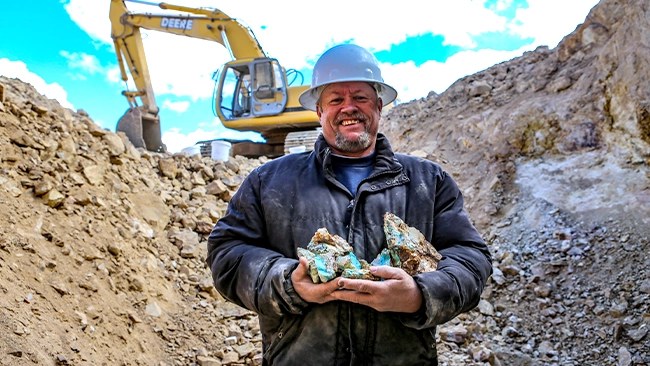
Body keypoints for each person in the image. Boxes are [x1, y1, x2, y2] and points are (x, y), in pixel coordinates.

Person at [207, 44, 492, 365]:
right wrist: (287, 282)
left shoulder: (428, 180)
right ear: (319, 111)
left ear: (379, 106)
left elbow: (471, 258)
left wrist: (419, 295)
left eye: (360, 97)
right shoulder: (268, 181)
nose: (348, 108)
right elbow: (227, 254)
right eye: (336, 99)